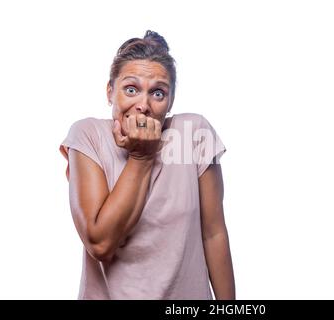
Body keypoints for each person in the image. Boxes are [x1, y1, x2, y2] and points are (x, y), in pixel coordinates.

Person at [59, 30, 235, 300]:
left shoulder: (193, 133)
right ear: (110, 92)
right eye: (131, 89)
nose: (143, 105)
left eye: (157, 93)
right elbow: (101, 243)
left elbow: (214, 234)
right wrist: (142, 157)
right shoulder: (88, 135)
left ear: (171, 101)